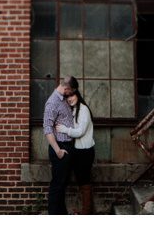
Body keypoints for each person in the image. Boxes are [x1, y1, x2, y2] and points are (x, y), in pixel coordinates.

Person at [56, 76, 95, 215]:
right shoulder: (74, 110)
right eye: (67, 97)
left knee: (84, 182)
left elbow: (79, 132)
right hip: (77, 151)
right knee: (81, 181)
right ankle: (86, 211)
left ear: (77, 94)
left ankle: (86, 213)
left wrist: (64, 130)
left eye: (71, 95)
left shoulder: (83, 110)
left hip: (85, 152)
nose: (69, 98)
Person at [42, 76, 75, 214]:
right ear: (66, 88)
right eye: (71, 91)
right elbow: (47, 128)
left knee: (62, 184)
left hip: (67, 146)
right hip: (59, 147)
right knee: (57, 185)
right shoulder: (53, 102)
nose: (71, 94)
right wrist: (58, 151)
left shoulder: (63, 100)